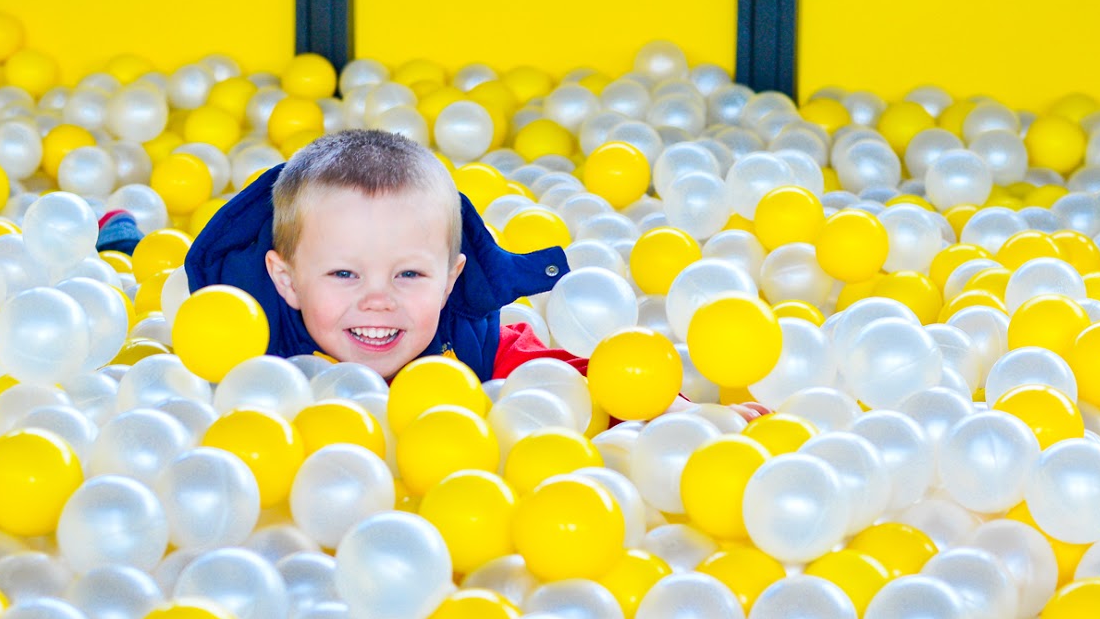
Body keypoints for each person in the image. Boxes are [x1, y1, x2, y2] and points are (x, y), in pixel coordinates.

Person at [101, 130, 765, 418]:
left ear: (451, 280)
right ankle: (120, 245)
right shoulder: (250, 347)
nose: (378, 302)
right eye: (342, 273)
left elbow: (578, 378)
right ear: (286, 281)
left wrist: (690, 417)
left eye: (410, 275)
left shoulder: (470, 339)